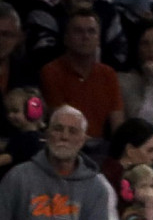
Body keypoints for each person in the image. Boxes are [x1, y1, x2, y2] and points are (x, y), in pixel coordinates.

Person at [39, 9, 124, 141]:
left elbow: (118, 126)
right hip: (65, 143)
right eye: (78, 31)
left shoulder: (108, 74)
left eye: (91, 31)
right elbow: (61, 123)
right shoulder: (52, 71)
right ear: (66, 39)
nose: (86, 37)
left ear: (98, 40)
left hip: (100, 147)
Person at [117, 20, 153, 125]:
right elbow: (141, 121)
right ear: (136, 47)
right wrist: (151, 81)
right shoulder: (123, 80)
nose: (151, 49)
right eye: (145, 43)